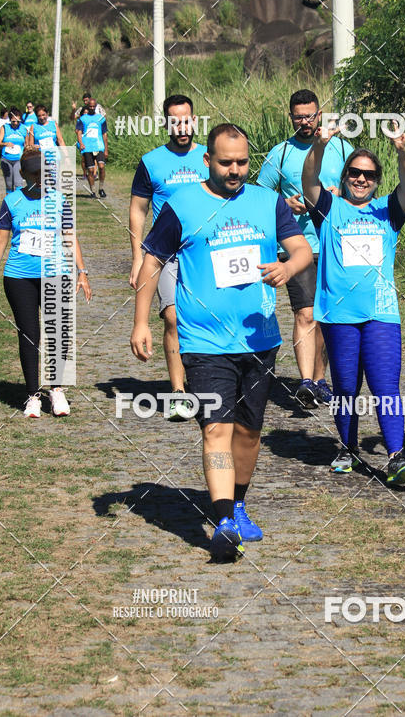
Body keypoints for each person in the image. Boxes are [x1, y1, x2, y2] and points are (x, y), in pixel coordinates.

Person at [131, 124, 312, 561]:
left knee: (248, 433)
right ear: (208, 161)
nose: (235, 170)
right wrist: (141, 322)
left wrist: (287, 269)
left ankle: (240, 502)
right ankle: (223, 519)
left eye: (242, 162)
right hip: (204, 341)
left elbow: (302, 248)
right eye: (226, 162)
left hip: (258, 340)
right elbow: (152, 260)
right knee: (216, 427)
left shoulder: (267, 203)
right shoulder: (183, 204)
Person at [301, 124, 405, 483]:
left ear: (377, 180)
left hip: (381, 314)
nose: (361, 179)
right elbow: (309, 180)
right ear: (345, 175)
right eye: (355, 173)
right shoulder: (329, 208)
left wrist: (404, 153)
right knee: (346, 388)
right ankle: (348, 447)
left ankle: (396, 455)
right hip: (338, 316)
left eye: (368, 175)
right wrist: (319, 148)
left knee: (386, 386)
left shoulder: (388, 211)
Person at [258, 89, 353, 409]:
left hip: (335, 244)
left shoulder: (341, 147)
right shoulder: (280, 154)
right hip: (297, 246)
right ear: (291, 117)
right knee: (305, 312)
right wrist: (285, 205)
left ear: (319, 114)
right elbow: (258, 200)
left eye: (310, 115)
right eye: (299, 116)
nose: (305, 122)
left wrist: (341, 196)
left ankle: (321, 379)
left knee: (327, 316)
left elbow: (363, 187)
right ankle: (306, 382)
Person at [0, 146, 91, 418]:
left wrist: (82, 271)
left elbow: (70, 236)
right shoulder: (12, 202)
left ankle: (56, 390)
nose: (39, 179)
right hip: (19, 276)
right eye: (33, 174)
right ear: (22, 173)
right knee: (29, 335)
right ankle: (33, 395)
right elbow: (1, 239)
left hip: (55, 272)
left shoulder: (60, 201)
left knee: (57, 332)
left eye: (43, 174)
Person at [130, 94, 208, 419]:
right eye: (174, 120)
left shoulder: (208, 156)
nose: (181, 126)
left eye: (186, 119)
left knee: (204, 319)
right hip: (168, 254)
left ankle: (208, 381)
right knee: (173, 317)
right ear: (166, 122)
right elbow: (137, 210)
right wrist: (137, 257)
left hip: (205, 253)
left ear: (193, 119)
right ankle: (178, 393)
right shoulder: (151, 162)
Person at [76, 97, 108, 197]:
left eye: (94, 106)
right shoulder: (82, 119)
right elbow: (79, 132)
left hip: (99, 146)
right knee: (90, 170)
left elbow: (104, 134)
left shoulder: (100, 118)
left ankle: (101, 188)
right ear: (87, 106)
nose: (92, 108)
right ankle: (93, 191)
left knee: (101, 166)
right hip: (87, 147)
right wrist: (81, 143)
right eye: (90, 106)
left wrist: (106, 149)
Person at [0, 107, 27, 191]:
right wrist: (5, 144)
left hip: (18, 159)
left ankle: (18, 203)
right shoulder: (5, 128)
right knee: (9, 185)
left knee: (18, 184)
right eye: (13, 121)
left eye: (18, 121)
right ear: (10, 120)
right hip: (6, 159)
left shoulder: (24, 128)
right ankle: (9, 203)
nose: (16, 123)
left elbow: (27, 144)